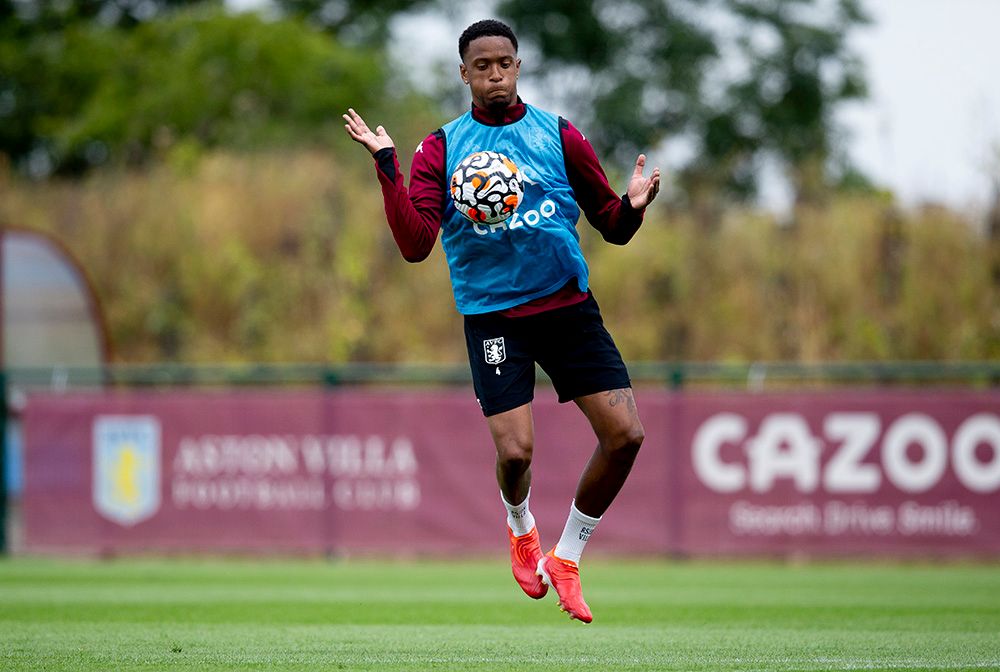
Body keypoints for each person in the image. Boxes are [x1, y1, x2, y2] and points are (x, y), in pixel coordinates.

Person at [343, 18, 660, 623]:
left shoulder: (559, 135)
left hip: (567, 307)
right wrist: (387, 165)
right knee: (516, 455)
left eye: (505, 63)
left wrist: (635, 207)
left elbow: (611, 226)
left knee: (627, 437)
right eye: (482, 65)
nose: (495, 74)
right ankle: (520, 526)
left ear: (518, 67)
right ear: (464, 73)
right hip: (494, 318)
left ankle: (566, 558)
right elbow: (415, 246)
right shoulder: (441, 148)